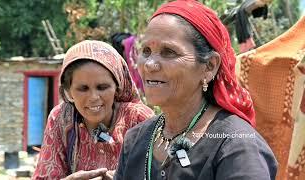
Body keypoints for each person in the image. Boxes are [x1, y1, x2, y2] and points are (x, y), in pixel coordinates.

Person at [114, 0, 277, 180]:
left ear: (209, 66)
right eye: (146, 51)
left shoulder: (237, 145)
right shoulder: (136, 139)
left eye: (169, 52)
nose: (150, 65)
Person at [32, 40, 154, 179]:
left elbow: (160, 172)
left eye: (102, 87)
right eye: (83, 89)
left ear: (117, 86)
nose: (94, 97)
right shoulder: (61, 118)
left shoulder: (138, 119)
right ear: (69, 91)